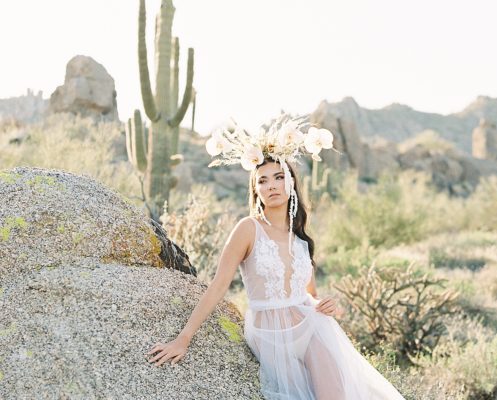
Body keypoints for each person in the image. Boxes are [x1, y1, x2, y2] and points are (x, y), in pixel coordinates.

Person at [147, 115, 405, 399]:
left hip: (311, 326)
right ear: (256, 189)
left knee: (337, 395)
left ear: (291, 183)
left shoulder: (301, 239)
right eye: (263, 181)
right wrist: (183, 339)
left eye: (279, 177)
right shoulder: (248, 229)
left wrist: (327, 305)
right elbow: (218, 286)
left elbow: (310, 294)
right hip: (269, 332)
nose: (272, 186)